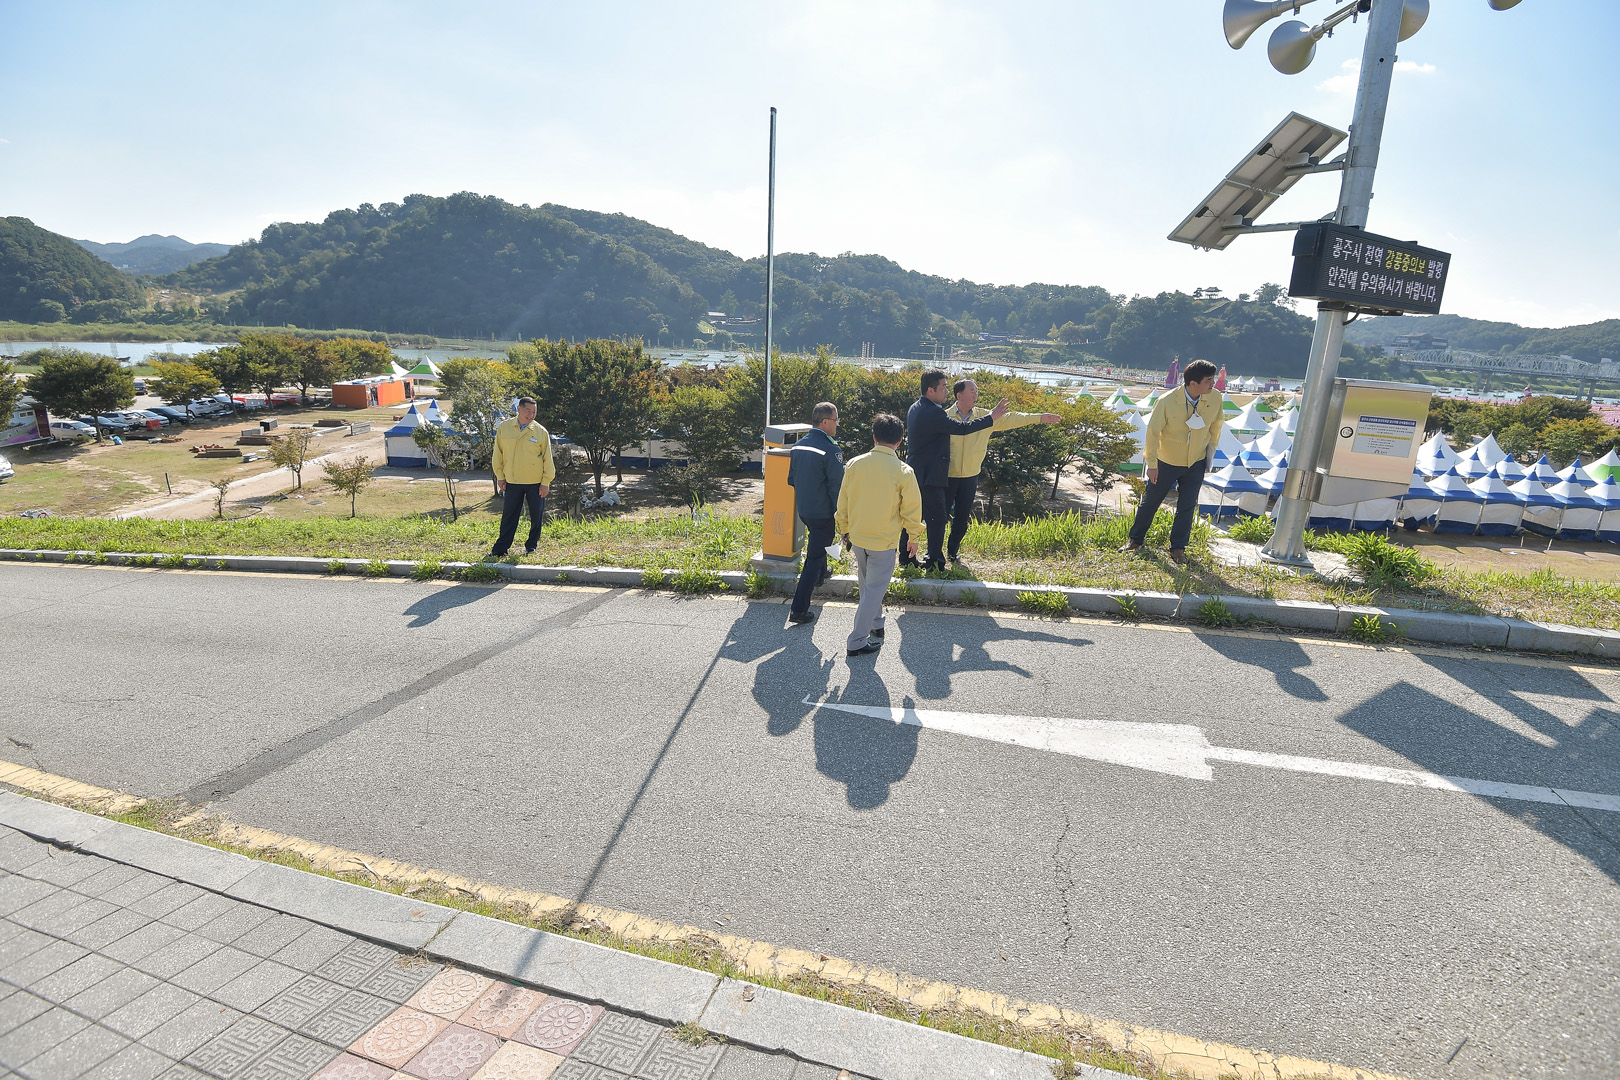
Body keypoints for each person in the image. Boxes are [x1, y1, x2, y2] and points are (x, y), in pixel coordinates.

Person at [943, 378, 1062, 564]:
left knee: (961, 518)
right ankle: (934, 553)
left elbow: (1012, 418)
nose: (976, 394)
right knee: (939, 516)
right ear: (959, 395)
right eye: (972, 391)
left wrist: (1039, 417)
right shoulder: (944, 416)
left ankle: (952, 551)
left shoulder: (986, 416)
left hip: (970, 476)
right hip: (946, 476)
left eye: (977, 391)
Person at [835, 414, 923, 657]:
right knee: (874, 590)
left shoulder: (854, 464)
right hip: (883, 541)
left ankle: (877, 623)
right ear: (900, 441)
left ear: (874, 437)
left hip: (858, 536)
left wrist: (843, 528)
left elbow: (843, 502)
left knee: (868, 586)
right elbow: (912, 510)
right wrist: (913, 537)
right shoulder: (903, 471)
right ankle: (856, 640)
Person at [903, 370, 1007, 570]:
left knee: (913, 516)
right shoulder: (933, 412)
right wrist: (991, 418)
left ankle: (907, 558)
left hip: (918, 471)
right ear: (930, 390)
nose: (946, 391)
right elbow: (962, 429)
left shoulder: (915, 407)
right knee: (937, 518)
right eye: (943, 387)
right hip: (930, 474)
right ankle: (934, 562)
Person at [1124, 359, 1223, 564]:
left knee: (1187, 506)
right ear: (1193, 383)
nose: (1213, 384)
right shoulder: (1166, 401)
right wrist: (1152, 465)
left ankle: (1178, 549)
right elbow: (1153, 433)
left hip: (1196, 462)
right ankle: (1135, 540)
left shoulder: (1215, 398)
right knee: (1151, 502)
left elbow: (1216, 425)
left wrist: (1209, 455)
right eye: (1208, 380)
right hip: (1166, 462)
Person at [786, 401, 844, 625]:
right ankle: (799, 609)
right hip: (823, 514)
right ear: (825, 422)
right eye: (836, 421)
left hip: (805, 510)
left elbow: (792, 479)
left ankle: (822, 574)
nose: (837, 425)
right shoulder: (831, 449)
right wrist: (842, 516)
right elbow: (836, 488)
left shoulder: (798, 446)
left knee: (817, 547)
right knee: (814, 557)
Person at [490, 396, 555, 557]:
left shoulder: (541, 431)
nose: (531, 415)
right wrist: (500, 476)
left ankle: (531, 547)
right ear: (518, 409)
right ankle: (500, 549)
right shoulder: (505, 428)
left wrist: (546, 482)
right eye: (528, 411)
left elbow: (547, 459)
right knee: (509, 517)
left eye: (534, 412)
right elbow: (498, 454)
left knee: (536, 517)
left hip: (536, 483)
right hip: (512, 481)